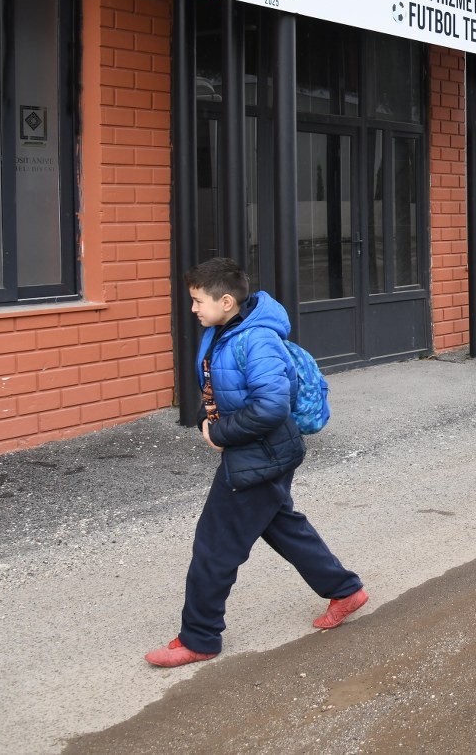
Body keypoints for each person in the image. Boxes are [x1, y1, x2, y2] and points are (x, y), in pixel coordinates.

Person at [145, 257, 368, 668]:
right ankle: (345, 589)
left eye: (198, 301)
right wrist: (204, 420)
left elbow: (270, 407)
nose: (192, 308)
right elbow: (217, 386)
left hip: (262, 453)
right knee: (283, 526)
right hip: (259, 451)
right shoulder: (222, 331)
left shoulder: (256, 340)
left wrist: (220, 433)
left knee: (215, 544)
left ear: (226, 301)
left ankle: (200, 637)